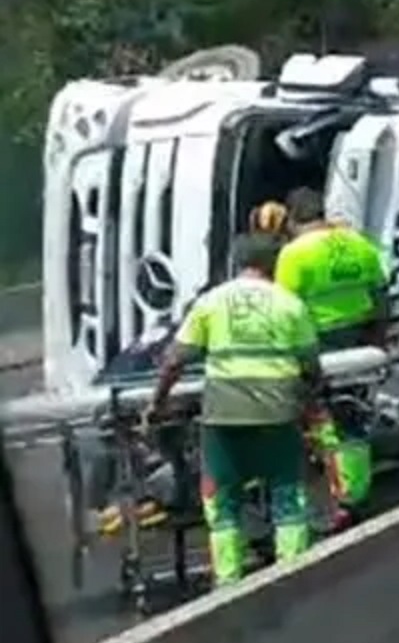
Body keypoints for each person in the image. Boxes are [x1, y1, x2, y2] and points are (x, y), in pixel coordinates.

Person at [144, 233, 321, 588]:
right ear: (272, 265)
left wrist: (157, 403)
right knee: (287, 493)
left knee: (222, 500)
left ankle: (228, 581)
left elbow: (174, 361)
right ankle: (293, 572)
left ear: (237, 263)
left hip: (224, 413)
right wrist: (306, 400)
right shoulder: (290, 303)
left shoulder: (211, 302)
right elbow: (311, 366)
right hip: (278, 412)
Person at [274, 187, 385, 522]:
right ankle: (356, 489)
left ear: (292, 219)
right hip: (360, 338)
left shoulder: (294, 254)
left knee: (323, 419)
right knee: (353, 417)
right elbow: (381, 292)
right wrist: (377, 339)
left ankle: (342, 494)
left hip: (319, 343)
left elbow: (284, 310)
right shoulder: (358, 242)